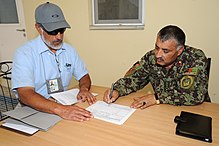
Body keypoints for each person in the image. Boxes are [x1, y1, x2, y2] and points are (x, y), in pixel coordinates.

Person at [12, 2, 96, 122]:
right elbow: (25, 94)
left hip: (62, 106)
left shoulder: (69, 50)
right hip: (33, 109)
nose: (59, 37)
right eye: (52, 32)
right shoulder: (24, 53)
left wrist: (84, 89)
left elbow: (84, 76)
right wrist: (62, 110)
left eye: (61, 30)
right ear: (39, 28)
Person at [103, 25, 210, 109]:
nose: (158, 55)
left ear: (180, 50)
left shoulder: (195, 58)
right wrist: (117, 90)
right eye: (157, 47)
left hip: (195, 110)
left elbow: (195, 95)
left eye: (165, 51)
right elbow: (133, 80)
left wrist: (157, 98)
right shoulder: (150, 57)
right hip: (162, 109)